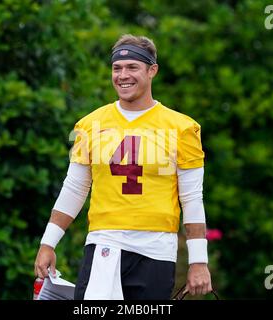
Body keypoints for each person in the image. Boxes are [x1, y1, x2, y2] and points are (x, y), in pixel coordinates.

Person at [34, 34, 212, 300]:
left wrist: (199, 261)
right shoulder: (88, 125)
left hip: (156, 250)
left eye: (132, 67)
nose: (123, 75)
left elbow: (191, 198)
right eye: (117, 68)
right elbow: (74, 188)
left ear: (152, 70)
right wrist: (48, 242)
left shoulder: (183, 128)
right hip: (104, 242)